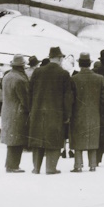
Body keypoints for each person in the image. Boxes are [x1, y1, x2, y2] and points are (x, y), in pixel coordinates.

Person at [28, 46, 74, 175]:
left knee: (38, 140)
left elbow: (30, 92)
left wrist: (31, 109)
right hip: (55, 112)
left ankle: (36, 168)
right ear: (59, 58)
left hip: (37, 111)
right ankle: (50, 168)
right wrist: (67, 114)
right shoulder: (63, 74)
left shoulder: (37, 72)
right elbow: (67, 96)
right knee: (54, 139)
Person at [70, 53, 104, 172]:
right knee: (92, 138)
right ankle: (92, 164)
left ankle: (78, 165)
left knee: (78, 139)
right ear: (90, 63)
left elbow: (70, 98)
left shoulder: (74, 79)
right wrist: (99, 109)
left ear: (79, 64)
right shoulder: (99, 78)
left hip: (77, 113)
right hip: (94, 113)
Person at [0, 54, 29, 172]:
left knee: (11, 140)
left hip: (7, 111)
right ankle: (13, 166)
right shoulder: (20, 79)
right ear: (21, 66)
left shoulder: (7, 76)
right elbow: (25, 99)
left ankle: (9, 164)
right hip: (17, 113)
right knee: (17, 140)